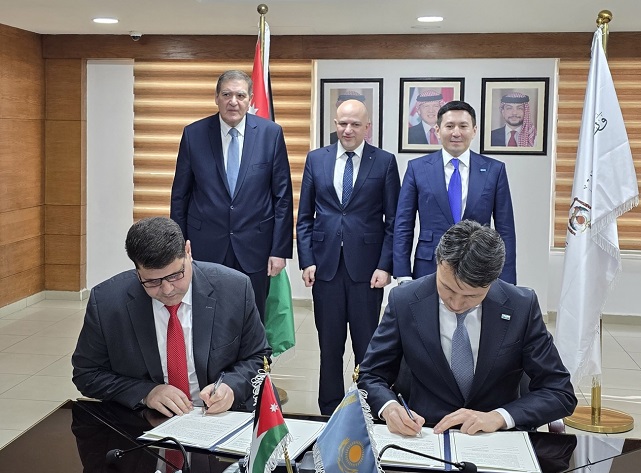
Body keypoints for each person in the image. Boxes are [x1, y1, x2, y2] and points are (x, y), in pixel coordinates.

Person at [359, 220, 576, 436]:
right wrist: (389, 408)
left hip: (495, 437)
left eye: (471, 296)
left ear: (492, 281)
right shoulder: (404, 301)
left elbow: (559, 392)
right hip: (424, 433)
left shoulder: (521, 306)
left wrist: (500, 417)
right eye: (447, 289)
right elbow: (371, 375)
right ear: (438, 263)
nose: (455, 304)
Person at [72, 217, 271, 417]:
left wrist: (231, 386)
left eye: (175, 276)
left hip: (221, 416)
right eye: (152, 282)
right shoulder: (107, 303)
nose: (167, 290)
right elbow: (87, 374)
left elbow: (259, 357)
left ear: (188, 251)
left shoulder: (234, 289)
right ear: (137, 271)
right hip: (147, 418)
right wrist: (146, 393)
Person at [297, 99, 400, 415]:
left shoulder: (384, 162)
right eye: (342, 123)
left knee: (367, 348)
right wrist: (307, 260)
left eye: (355, 124)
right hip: (325, 268)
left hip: (367, 272)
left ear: (367, 127)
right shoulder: (316, 159)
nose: (348, 129)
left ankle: (368, 408)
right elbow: (305, 217)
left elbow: (394, 221)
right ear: (335, 124)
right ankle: (329, 410)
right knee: (329, 348)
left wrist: (385, 265)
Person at [170, 70, 293, 321]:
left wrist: (279, 250)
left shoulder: (271, 134)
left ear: (250, 99)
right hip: (205, 246)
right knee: (208, 318)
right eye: (226, 94)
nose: (233, 102)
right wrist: (179, 247)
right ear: (216, 98)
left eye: (240, 95)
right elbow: (180, 195)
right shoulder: (194, 134)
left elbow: (282, 197)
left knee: (252, 319)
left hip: (256, 247)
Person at [393, 100, 517, 284]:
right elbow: (403, 224)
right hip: (429, 265)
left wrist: (505, 279)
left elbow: (505, 229)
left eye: (463, 126)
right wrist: (402, 273)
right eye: (449, 126)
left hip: (478, 265)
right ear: (437, 130)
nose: (456, 133)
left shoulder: (494, 170)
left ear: (474, 130)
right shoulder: (417, 169)